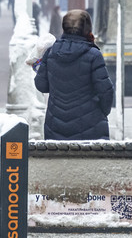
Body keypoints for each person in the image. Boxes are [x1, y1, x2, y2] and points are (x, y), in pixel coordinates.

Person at [34, 9, 114, 140]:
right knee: (90, 160)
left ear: (64, 27)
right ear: (87, 28)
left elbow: (41, 85)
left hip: (56, 127)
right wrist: (101, 113)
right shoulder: (93, 55)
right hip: (90, 127)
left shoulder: (51, 52)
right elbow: (106, 91)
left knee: (59, 160)